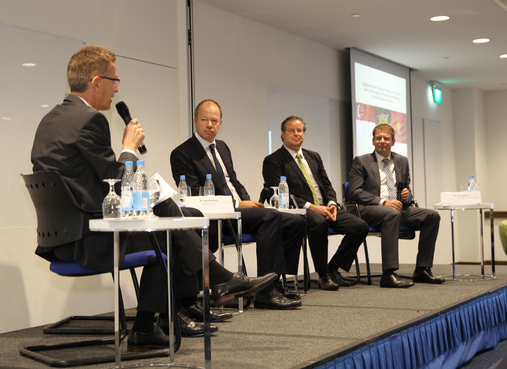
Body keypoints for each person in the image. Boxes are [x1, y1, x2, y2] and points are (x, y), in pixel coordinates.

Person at [30, 46, 277, 351]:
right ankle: (164, 314)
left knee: (173, 211)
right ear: (96, 82)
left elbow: (87, 184)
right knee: (170, 231)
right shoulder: (89, 121)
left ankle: (191, 299)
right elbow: (120, 183)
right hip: (88, 240)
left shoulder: (50, 120)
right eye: (114, 81)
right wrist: (129, 147)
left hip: (62, 239)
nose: (117, 88)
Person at [170, 99, 306, 309]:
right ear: (195, 121)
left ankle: (274, 281)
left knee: (295, 221)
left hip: (239, 210)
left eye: (214, 121)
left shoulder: (222, 147)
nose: (209, 125)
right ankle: (266, 294)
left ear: (221, 124)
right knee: (271, 217)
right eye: (205, 120)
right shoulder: (182, 153)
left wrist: (249, 200)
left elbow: (233, 181)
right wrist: (239, 203)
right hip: (216, 217)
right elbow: (195, 194)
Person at [262, 116, 368, 290]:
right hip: (300, 211)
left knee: (360, 226)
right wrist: (313, 207)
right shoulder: (273, 160)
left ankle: (333, 268)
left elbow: (327, 185)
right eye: (292, 130)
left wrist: (333, 203)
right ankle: (323, 275)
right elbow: (280, 193)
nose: (296, 134)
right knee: (318, 223)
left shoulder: (314, 157)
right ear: (282, 134)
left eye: (300, 130)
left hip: (326, 207)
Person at [348, 123, 444, 288]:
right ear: (373, 141)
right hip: (370, 209)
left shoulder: (402, 161)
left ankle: (422, 269)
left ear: (393, 141)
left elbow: (406, 189)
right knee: (392, 214)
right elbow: (355, 192)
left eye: (386, 138)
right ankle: (389, 273)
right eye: (379, 138)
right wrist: (383, 202)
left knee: (432, 216)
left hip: (399, 209)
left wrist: (407, 196)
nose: (382, 141)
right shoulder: (361, 161)